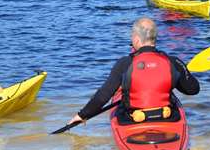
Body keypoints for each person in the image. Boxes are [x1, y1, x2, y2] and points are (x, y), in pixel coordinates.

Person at [68, 17, 199, 125]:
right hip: (166, 118)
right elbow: (193, 89)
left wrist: (82, 115)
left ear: (136, 39)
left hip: (132, 120)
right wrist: (182, 71)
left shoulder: (124, 63)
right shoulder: (173, 62)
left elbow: (103, 96)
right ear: (155, 38)